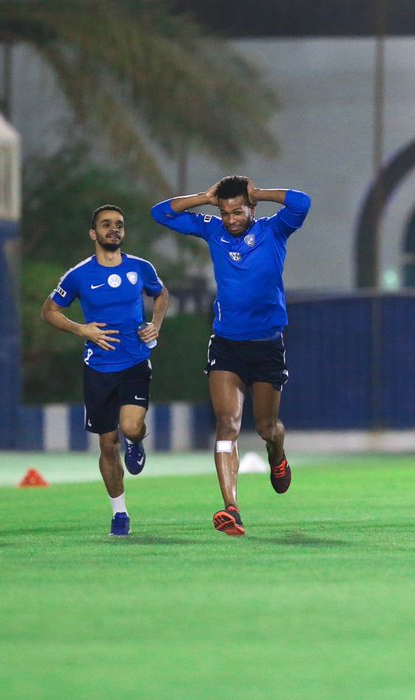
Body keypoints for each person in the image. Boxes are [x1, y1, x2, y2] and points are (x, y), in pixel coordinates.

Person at [152, 176, 310, 537]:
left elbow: (302, 201)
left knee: (268, 427)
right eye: (224, 212)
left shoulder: (275, 230)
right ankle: (231, 510)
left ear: (251, 207)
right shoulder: (214, 232)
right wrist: (203, 199)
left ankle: (277, 454)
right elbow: (161, 214)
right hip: (226, 345)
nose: (230, 219)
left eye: (237, 211)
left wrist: (261, 192)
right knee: (228, 425)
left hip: (267, 345)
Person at [42, 205, 169, 537]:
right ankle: (119, 512)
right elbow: (50, 311)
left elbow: (161, 293)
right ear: (93, 233)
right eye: (106, 225)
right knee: (108, 442)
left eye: (119, 225)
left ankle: (137, 440)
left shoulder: (141, 268)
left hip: (135, 361)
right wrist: (82, 330)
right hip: (98, 368)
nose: (114, 229)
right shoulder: (78, 275)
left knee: (130, 426)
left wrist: (155, 325)